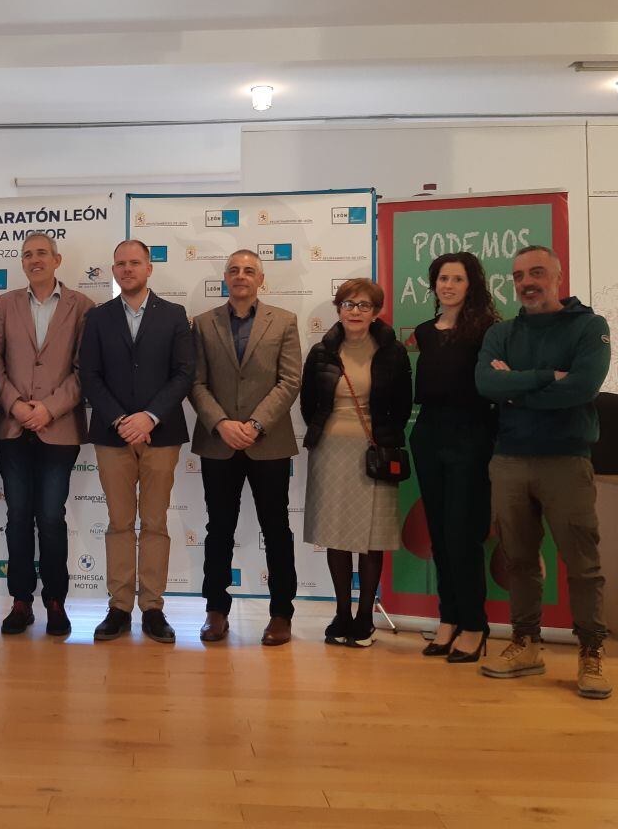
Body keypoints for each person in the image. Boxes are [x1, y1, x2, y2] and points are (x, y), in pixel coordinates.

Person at [475, 244, 613, 699]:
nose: (526, 282)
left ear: (557, 276)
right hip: (510, 458)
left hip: (566, 460)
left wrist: (514, 387)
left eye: (536, 273)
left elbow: (582, 387)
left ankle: (591, 651)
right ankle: (526, 643)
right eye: (517, 276)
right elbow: (486, 383)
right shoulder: (502, 332)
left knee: (582, 563)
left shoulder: (589, 327)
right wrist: (544, 377)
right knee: (517, 559)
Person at [80, 239, 195, 644]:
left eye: (135, 263)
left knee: (156, 522)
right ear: (113, 270)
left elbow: (184, 373)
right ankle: (119, 607)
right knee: (119, 523)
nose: (127, 269)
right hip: (112, 435)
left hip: (160, 433)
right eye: (120, 264)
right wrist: (119, 419)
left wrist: (149, 416)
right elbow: (89, 375)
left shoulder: (175, 315)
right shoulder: (98, 318)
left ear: (149, 269)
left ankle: (152, 607)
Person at [190, 250, 302, 646]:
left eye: (249, 270)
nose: (241, 276)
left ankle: (281, 614)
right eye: (234, 270)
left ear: (261, 279)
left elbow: (290, 381)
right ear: (225, 278)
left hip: (267, 443)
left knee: (277, 529)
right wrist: (221, 423)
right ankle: (215, 610)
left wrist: (254, 425)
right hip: (218, 443)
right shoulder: (203, 324)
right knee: (218, 529)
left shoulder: (284, 322)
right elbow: (196, 382)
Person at [0, 232, 94, 636]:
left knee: (50, 517)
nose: (35, 260)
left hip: (59, 428)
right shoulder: (4, 304)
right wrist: (16, 405)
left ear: (57, 259)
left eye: (42, 254)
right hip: (12, 427)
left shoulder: (82, 306)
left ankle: (55, 601)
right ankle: (20, 601)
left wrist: (48, 408)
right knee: (17, 517)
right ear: (22, 262)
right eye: (28, 254)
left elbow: (86, 369)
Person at [301, 280, 411, 649]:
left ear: (376, 311)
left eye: (365, 305)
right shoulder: (321, 353)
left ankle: (365, 616)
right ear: (338, 308)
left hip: (374, 452)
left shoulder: (392, 352)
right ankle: (342, 613)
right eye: (348, 304)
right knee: (337, 535)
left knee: (371, 538)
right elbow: (308, 403)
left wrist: (384, 437)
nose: (356, 311)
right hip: (330, 451)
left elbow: (402, 403)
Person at [410, 252, 498, 663]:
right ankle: (448, 618)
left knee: (464, 535)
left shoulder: (488, 331)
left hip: (470, 436)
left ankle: (475, 625)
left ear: (471, 285)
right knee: (440, 534)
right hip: (428, 435)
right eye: (442, 278)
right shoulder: (426, 332)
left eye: (457, 279)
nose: (448, 285)